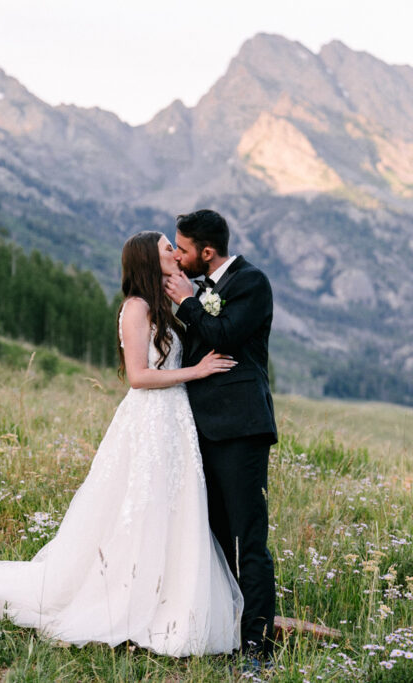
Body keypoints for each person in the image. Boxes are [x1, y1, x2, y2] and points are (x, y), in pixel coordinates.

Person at [0, 231, 243, 657]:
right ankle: (128, 598)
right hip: (149, 421)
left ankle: (170, 597)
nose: (175, 255)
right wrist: (195, 372)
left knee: (173, 508)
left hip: (173, 425)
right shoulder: (136, 308)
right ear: (147, 259)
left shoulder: (165, 307)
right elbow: (139, 377)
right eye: (167, 249)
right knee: (140, 508)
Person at [164, 209, 277, 661]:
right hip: (200, 428)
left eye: (183, 249)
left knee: (248, 538)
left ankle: (257, 646)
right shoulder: (198, 287)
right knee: (211, 535)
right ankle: (222, 628)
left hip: (241, 429)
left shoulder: (252, 283)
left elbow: (224, 336)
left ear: (207, 253)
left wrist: (190, 302)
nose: (177, 254)